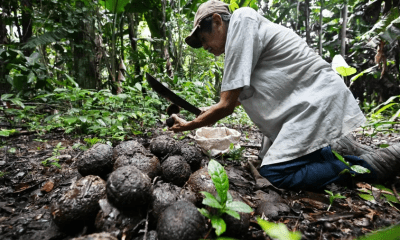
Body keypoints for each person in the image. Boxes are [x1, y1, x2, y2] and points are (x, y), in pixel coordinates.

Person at [169, 0, 400, 191]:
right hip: (305, 106)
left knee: (274, 173)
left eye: (203, 39)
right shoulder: (243, 40)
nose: (206, 47)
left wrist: (190, 125)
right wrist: (205, 113)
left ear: (217, 21)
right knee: (268, 161)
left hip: (314, 101)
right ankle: (332, 156)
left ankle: (366, 165)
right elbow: (235, 98)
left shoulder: (242, 21)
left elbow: (227, 105)